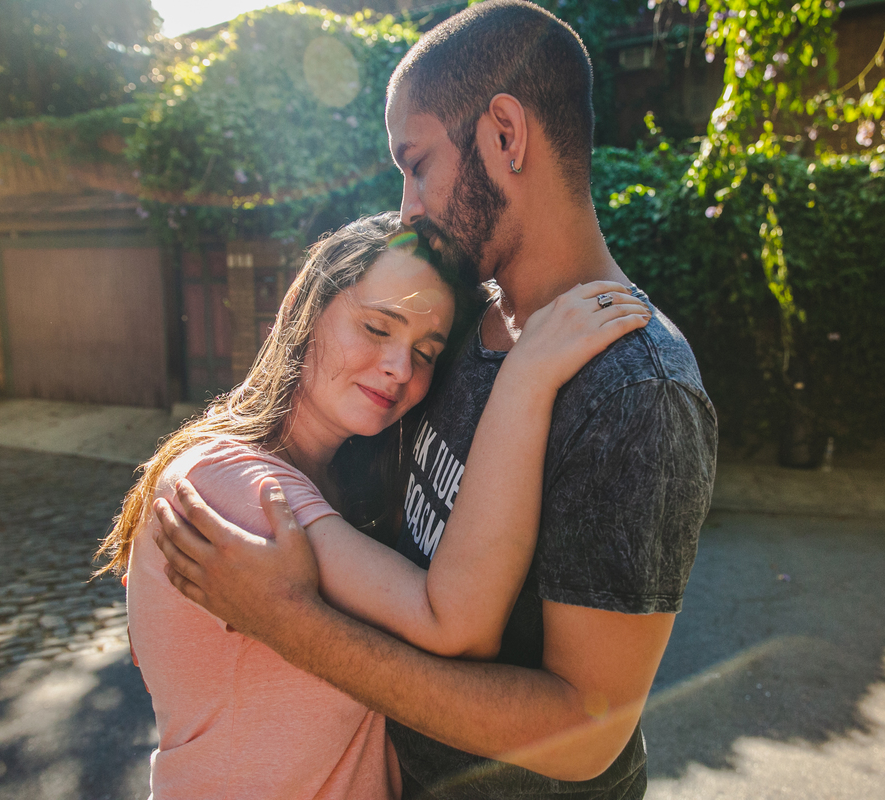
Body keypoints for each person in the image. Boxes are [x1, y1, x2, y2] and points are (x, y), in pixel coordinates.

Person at [152, 1, 718, 797]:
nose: (408, 204)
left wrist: (285, 619)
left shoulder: (636, 388)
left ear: (505, 135)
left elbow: (585, 734)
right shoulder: (454, 325)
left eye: (416, 163)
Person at [96, 212, 649, 799]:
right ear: (307, 310)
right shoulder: (232, 487)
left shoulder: (339, 481)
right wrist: (526, 377)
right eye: (378, 328)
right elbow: (455, 627)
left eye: (427, 351)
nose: (400, 368)